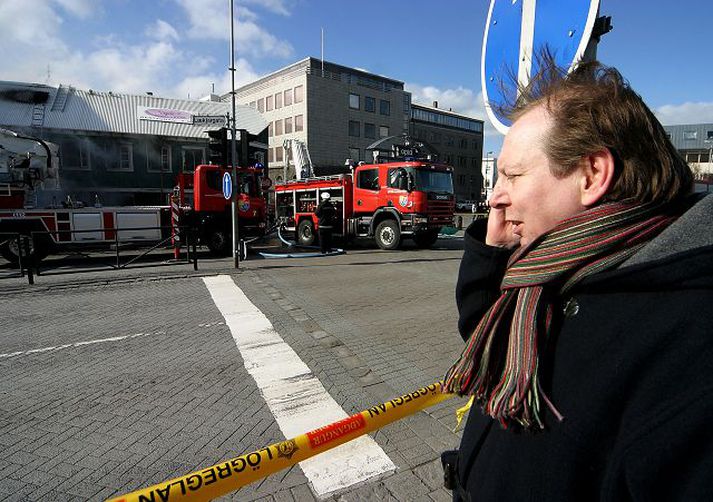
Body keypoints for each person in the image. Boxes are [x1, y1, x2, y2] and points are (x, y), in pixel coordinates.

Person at [442, 55, 713, 501]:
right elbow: (488, 336)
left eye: (512, 175)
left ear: (591, 174)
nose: (494, 196)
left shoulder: (688, 348)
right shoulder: (561, 272)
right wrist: (489, 254)